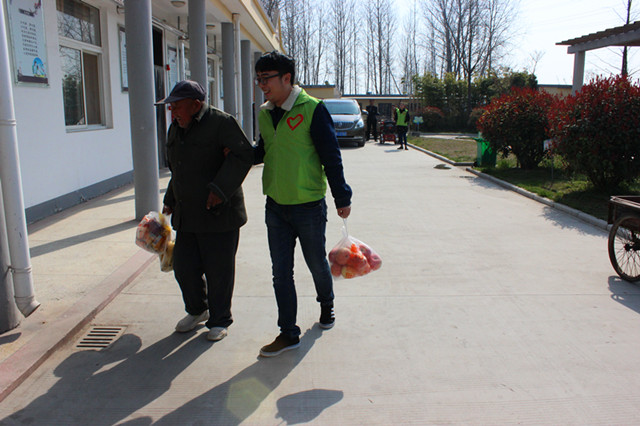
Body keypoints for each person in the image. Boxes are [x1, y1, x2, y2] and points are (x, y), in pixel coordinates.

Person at [253, 51, 353, 357]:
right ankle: (288, 333)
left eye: (266, 79)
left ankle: (327, 304)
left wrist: (341, 195)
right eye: (258, 79)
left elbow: (330, 155)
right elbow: (264, 149)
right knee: (281, 272)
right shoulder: (265, 113)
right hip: (275, 206)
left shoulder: (312, 109)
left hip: (308, 205)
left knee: (316, 263)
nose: (262, 85)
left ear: (286, 78)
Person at [157, 80, 254, 342]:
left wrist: (219, 190)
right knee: (183, 267)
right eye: (171, 107)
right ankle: (198, 309)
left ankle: (220, 320)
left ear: (195, 105)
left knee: (218, 271)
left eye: (177, 106)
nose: (173, 112)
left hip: (219, 214)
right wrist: (170, 198)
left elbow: (244, 155)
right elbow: (178, 169)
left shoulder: (221, 123)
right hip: (188, 213)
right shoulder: (176, 128)